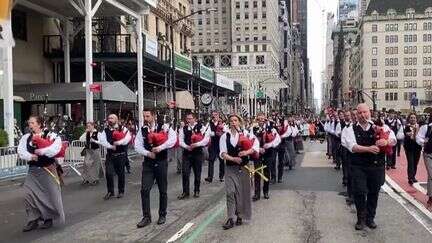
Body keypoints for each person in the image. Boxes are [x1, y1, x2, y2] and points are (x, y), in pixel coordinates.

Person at [344, 103, 396, 230]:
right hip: (358, 166)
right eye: (360, 113)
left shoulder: (380, 126)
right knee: (360, 192)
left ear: (370, 112)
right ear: (356, 114)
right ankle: (360, 219)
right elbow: (352, 147)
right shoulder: (349, 129)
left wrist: (386, 141)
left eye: (365, 112)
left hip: (376, 166)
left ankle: (370, 218)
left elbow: (394, 139)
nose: (362, 115)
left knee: (374, 193)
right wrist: (368, 149)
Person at [17, 116, 65, 232]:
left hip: (47, 169)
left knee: (49, 196)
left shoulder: (51, 135)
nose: (30, 125)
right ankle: (33, 219)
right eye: (29, 123)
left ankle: (48, 218)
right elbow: (20, 151)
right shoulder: (26, 137)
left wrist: (42, 150)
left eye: (32, 123)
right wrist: (30, 156)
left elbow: (56, 148)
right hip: (33, 171)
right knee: (27, 194)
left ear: (39, 124)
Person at [135, 110, 177, 228]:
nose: (145, 118)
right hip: (148, 163)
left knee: (162, 190)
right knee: (144, 189)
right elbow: (137, 145)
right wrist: (147, 153)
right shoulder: (142, 130)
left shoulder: (164, 127)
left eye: (147, 116)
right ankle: (146, 217)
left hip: (161, 162)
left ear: (153, 116)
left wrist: (161, 147)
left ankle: (162, 214)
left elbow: (173, 140)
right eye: (144, 116)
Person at [219, 114, 259, 230]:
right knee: (230, 192)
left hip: (244, 167)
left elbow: (255, 146)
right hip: (230, 167)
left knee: (241, 193)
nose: (233, 122)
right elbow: (222, 153)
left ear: (239, 122)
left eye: (235, 120)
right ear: (229, 123)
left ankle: (240, 215)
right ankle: (231, 218)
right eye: (231, 120)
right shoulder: (224, 137)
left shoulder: (246, 134)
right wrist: (233, 159)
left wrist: (246, 153)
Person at [96, 114, 131, 200]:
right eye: (109, 118)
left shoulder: (123, 128)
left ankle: (121, 191)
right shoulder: (105, 130)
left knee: (121, 173)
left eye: (112, 118)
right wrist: (111, 146)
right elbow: (102, 141)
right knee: (108, 173)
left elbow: (128, 138)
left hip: (121, 154)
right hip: (110, 155)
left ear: (116, 119)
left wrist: (119, 142)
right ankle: (110, 191)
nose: (109, 120)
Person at [178, 113, 210, 199]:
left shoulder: (201, 127)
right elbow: (180, 140)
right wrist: (186, 146)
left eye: (190, 118)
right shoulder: (183, 128)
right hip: (187, 153)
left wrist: (196, 144)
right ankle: (185, 191)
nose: (188, 120)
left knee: (197, 173)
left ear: (195, 119)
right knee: (185, 172)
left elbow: (206, 139)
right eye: (187, 119)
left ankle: (197, 190)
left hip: (197, 153)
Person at [416, 115, 432, 208]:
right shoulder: (426, 127)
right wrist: (424, 142)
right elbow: (418, 138)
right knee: (431, 174)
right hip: (429, 154)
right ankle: (431, 197)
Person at [206, 111, 226, 183]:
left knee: (221, 161)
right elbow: (207, 133)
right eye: (213, 115)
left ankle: (221, 176)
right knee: (211, 160)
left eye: (216, 115)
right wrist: (215, 133)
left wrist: (222, 130)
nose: (215, 116)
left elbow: (226, 131)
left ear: (218, 115)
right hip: (213, 144)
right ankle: (210, 177)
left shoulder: (223, 123)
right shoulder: (209, 124)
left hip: (221, 145)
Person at [403, 113, 422, 185]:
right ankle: (410, 178)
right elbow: (406, 134)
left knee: (415, 162)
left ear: (416, 119)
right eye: (411, 118)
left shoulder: (419, 127)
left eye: (414, 118)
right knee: (410, 162)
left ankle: (413, 176)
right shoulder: (407, 127)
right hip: (409, 147)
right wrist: (410, 133)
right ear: (409, 119)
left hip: (417, 147)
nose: (413, 119)